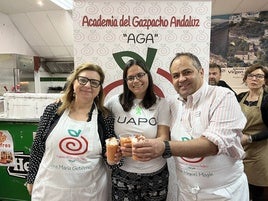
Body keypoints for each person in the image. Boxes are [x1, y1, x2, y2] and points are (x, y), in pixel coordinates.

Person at [132, 52, 249, 201]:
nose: (181, 79)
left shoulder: (222, 97)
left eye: (187, 72)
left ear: (201, 72)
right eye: (175, 75)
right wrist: (140, 141)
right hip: (187, 193)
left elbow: (212, 145)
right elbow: (163, 135)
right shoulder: (172, 103)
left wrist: (163, 147)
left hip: (223, 193)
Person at [26, 63, 116, 200]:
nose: (87, 85)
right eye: (83, 80)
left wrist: (115, 158)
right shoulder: (53, 110)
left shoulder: (105, 117)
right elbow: (38, 146)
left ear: (99, 89)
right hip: (49, 191)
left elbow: (109, 154)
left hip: (89, 193)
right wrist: (31, 178)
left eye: (94, 82)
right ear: (73, 82)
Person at [105, 59, 170, 201]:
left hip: (156, 173)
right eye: (130, 78)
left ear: (148, 76)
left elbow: (164, 138)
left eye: (140, 75)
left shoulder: (161, 103)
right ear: (125, 81)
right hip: (123, 173)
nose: (136, 80)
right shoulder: (113, 102)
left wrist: (143, 146)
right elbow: (100, 126)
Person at [237, 64, 268, 201]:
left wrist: (250, 138)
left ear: (265, 80)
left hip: (260, 151)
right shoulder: (240, 97)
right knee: (241, 188)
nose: (254, 78)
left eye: (259, 76)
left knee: (257, 191)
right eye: (251, 75)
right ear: (246, 79)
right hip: (240, 149)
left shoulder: (267, 100)